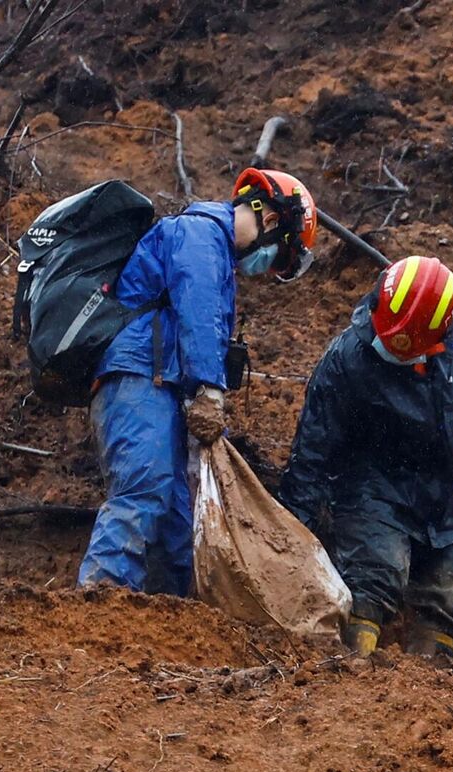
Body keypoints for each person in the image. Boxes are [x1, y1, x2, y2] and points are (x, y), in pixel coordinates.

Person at [78, 168, 318, 594]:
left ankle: (168, 625)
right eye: (279, 256)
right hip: (138, 379)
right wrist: (209, 388)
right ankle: (97, 608)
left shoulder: (217, 255)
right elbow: (198, 312)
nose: (268, 269)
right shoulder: (199, 234)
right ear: (273, 220)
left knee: (176, 526)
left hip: (161, 385)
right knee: (143, 495)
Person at [278, 256, 453, 665]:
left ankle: (426, 689)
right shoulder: (346, 360)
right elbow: (312, 453)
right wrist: (289, 536)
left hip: (439, 496)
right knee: (375, 576)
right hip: (370, 489)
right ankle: (347, 675)